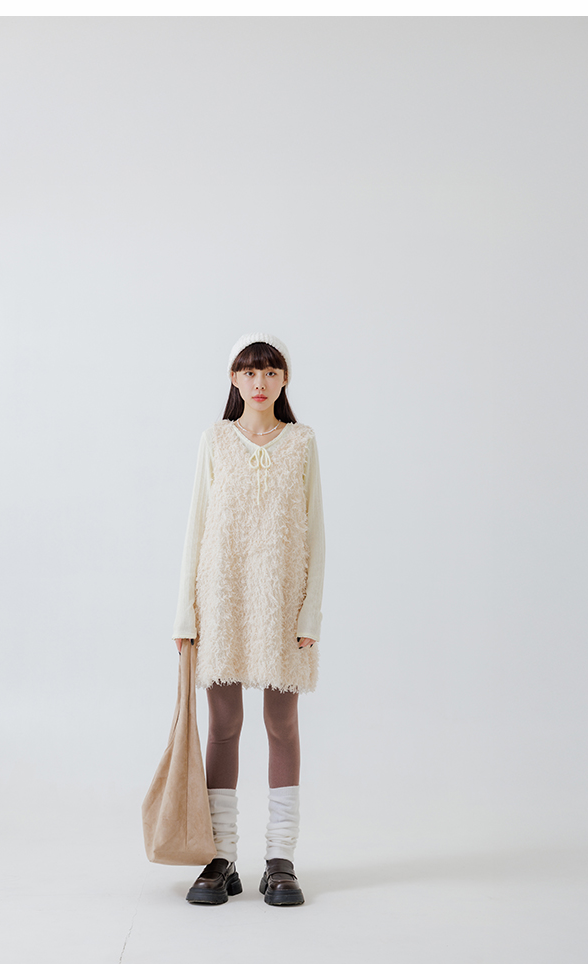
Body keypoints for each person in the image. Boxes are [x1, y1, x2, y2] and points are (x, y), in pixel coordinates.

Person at [172, 332, 325, 907]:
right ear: (234, 380)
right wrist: (184, 614)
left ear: (284, 380)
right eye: (249, 372)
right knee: (224, 725)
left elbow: (315, 532)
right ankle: (221, 856)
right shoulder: (215, 440)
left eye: (270, 372)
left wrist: (310, 612)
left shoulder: (302, 442)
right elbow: (195, 527)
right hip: (222, 600)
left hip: (282, 603)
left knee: (281, 724)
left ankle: (280, 858)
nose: (260, 383)